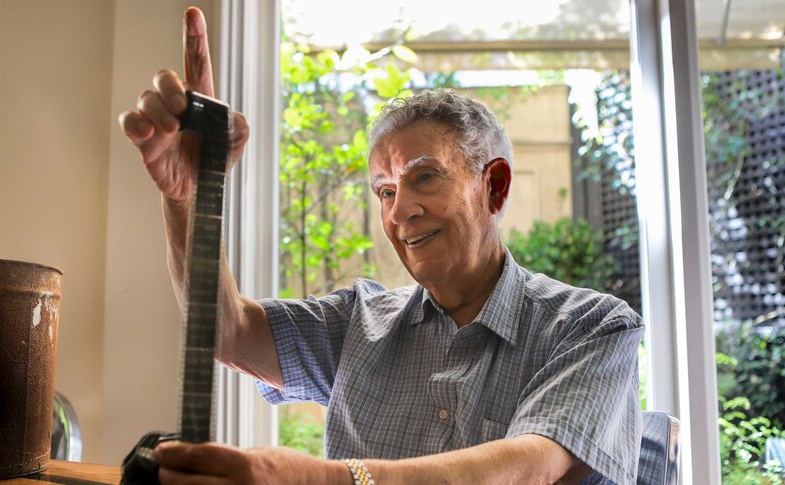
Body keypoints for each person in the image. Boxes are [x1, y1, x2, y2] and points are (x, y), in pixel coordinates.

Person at [119, 7, 643, 485]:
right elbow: (229, 333)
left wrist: (319, 480)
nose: (399, 212)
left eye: (425, 179)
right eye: (385, 191)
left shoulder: (592, 326)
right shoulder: (359, 322)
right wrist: (191, 199)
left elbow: (530, 467)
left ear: (495, 186)